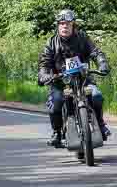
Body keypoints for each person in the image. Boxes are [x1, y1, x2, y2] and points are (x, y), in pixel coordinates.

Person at [38, 9, 111, 148]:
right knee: (56, 102)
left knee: (96, 95)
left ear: (73, 26)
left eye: (68, 24)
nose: (65, 26)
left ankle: (101, 125)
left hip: (83, 80)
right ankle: (57, 133)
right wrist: (44, 75)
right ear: (58, 26)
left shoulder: (83, 38)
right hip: (60, 82)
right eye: (62, 23)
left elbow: (95, 52)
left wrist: (102, 63)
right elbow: (44, 63)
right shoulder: (51, 43)